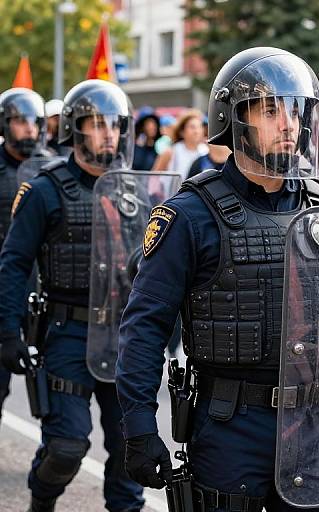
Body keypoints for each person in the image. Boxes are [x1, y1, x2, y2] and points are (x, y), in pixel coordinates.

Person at [116, 47, 319, 512]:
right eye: (271, 109)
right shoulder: (189, 216)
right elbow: (145, 327)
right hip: (231, 424)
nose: (289, 124)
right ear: (233, 117)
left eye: (295, 111)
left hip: (315, 420)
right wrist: (139, 428)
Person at [0, 79, 144, 512]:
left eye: (114, 126)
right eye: (96, 125)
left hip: (122, 335)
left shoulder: (134, 190)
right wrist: (7, 332)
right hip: (66, 333)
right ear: (74, 130)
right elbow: (14, 263)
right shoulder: (45, 189)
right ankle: (41, 502)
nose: (107, 134)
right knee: (66, 446)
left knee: (128, 451)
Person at [0, 87, 46, 425]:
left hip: (42, 288)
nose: (28, 128)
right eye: (20, 121)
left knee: (51, 391)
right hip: (4, 285)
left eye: (34, 121)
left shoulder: (51, 170)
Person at [152, 108, 208, 180]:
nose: (197, 131)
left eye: (199, 127)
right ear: (182, 132)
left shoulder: (206, 151)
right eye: (192, 127)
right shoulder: (170, 152)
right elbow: (153, 179)